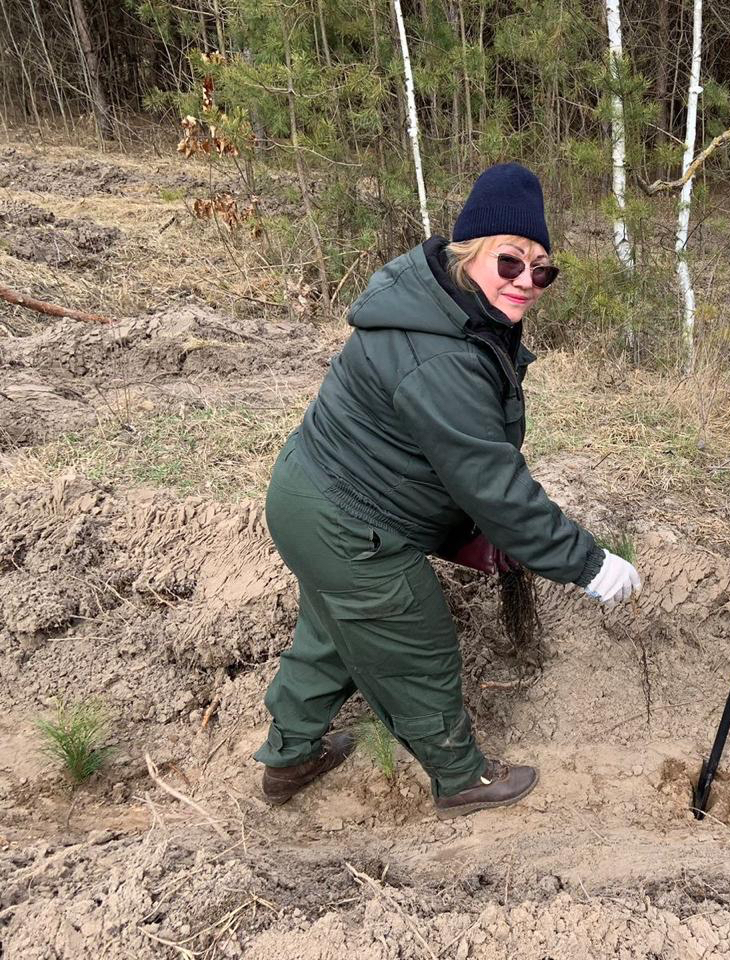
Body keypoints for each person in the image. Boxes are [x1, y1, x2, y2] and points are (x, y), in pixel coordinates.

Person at [253, 163, 642, 819]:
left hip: (313, 495)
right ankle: (461, 777)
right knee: (414, 645)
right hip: (351, 522)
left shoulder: (450, 310)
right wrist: (589, 563)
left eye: (542, 271)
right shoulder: (440, 352)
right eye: (511, 262)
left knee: (329, 636)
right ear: (470, 251)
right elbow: (490, 480)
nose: (526, 283)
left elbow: (450, 453)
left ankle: (291, 759)